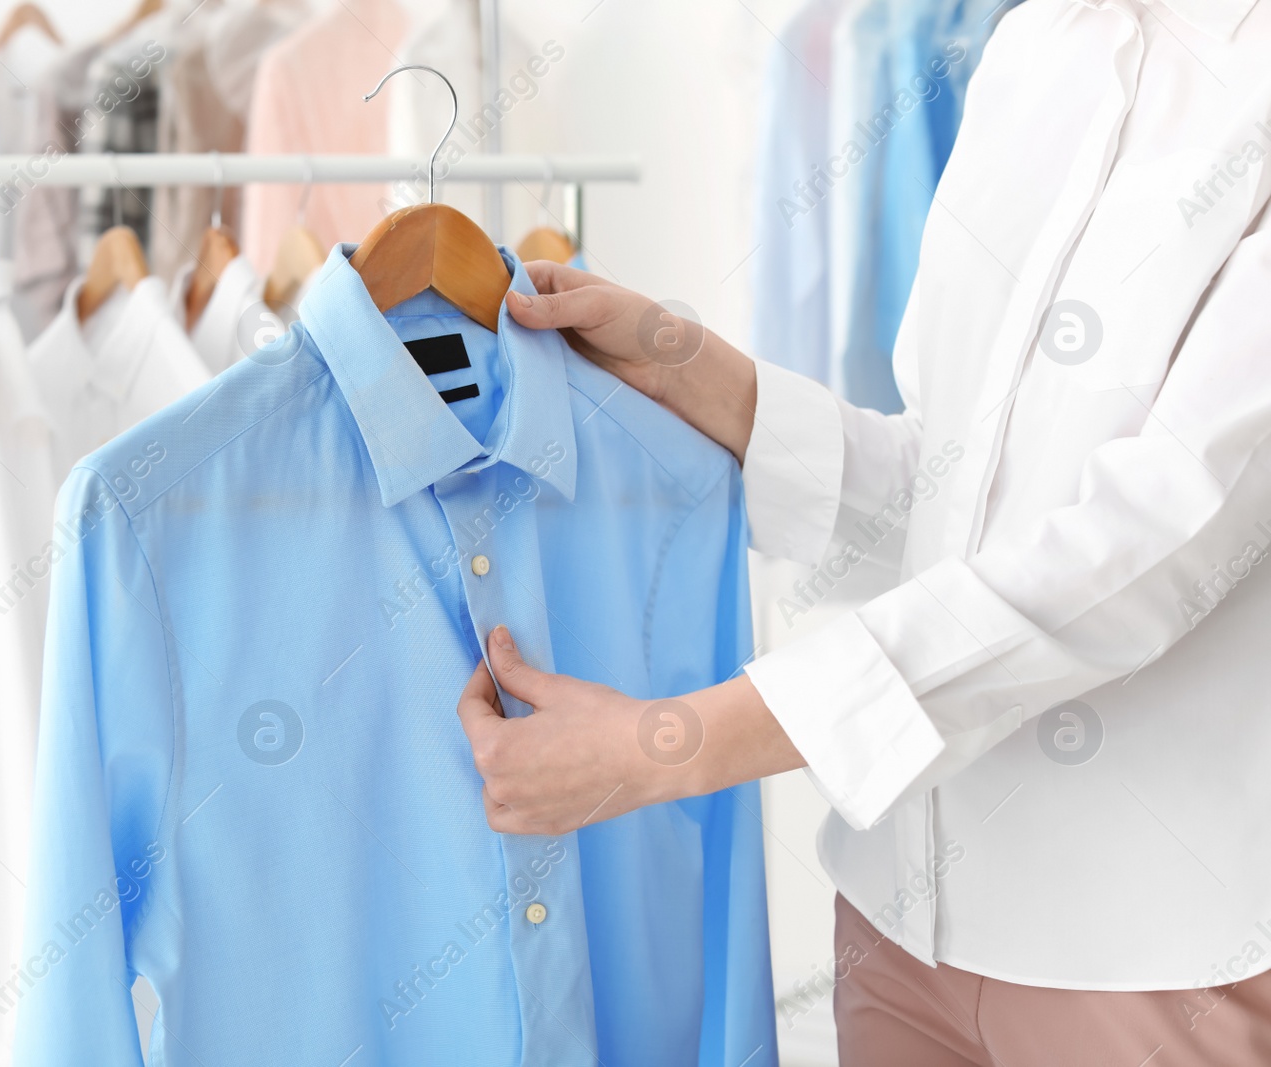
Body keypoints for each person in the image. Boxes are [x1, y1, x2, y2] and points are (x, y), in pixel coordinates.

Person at [456, 0, 1271, 1062]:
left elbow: (1141, 557)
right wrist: (689, 369)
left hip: (1139, 962)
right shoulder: (1035, 48)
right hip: (893, 932)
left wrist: (673, 744)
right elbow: (940, 491)